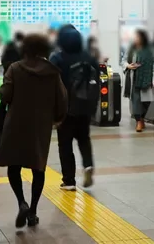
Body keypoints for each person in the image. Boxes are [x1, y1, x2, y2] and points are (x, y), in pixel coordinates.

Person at [0, 34, 68, 230]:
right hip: (40, 126)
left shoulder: (15, 68)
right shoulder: (52, 72)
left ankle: (21, 202)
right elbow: (62, 98)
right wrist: (57, 118)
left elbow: (5, 94)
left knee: (14, 167)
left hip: (16, 124)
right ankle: (33, 212)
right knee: (38, 168)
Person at [50, 24, 98, 190]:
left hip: (66, 108)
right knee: (84, 138)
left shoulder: (57, 58)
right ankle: (88, 165)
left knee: (65, 143)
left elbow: (51, 83)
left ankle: (69, 180)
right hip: (85, 106)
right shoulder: (89, 57)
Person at [125, 29, 154, 132]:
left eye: (138, 37)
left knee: (147, 101)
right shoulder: (131, 49)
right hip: (134, 78)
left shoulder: (151, 50)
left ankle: (142, 118)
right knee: (136, 101)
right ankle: (138, 121)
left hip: (147, 79)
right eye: (135, 37)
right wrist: (128, 66)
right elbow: (124, 60)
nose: (136, 39)